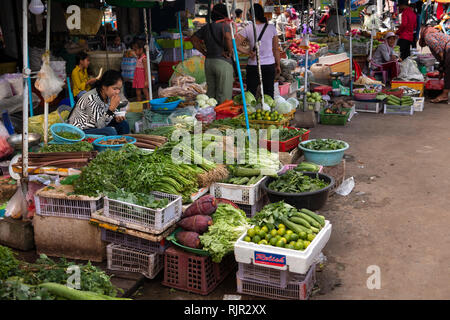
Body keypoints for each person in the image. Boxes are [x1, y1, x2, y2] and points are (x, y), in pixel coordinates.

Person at [191, 3, 234, 104]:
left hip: (209, 62)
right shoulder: (225, 25)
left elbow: (193, 39)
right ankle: (222, 116)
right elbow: (228, 37)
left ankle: (210, 114)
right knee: (224, 95)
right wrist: (230, 52)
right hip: (223, 62)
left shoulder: (207, 27)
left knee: (211, 94)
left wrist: (204, 52)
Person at [236, 3, 280, 98]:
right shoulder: (271, 28)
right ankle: (268, 111)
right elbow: (276, 49)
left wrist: (247, 52)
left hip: (253, 65)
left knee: (251, 93)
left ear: (251, 15)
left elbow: (234, 44)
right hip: (269, 65)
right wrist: (278, 64)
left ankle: (251, 111)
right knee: (269, 93)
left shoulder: (248, 28)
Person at [69, 70, 130, 136]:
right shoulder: (91, 98)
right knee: (110, 131)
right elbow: (99, 125)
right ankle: (114, 145)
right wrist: (111, 109)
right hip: (80, 130)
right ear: (104, 86)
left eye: (119, 89)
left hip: (96, 125)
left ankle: (124, 144)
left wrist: (116, 118)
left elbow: (105, 117)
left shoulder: (108, 96)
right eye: (114, 89)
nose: (117, 92)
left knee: (123, 124)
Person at [419, 26, 450, 103]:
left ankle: (444, 95)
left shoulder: (427, 37)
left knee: (448, 72)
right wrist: (441, 69)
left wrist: (442, 65)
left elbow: (439, 50)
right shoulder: (437, 34)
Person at [132, 40, 150, 109]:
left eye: (135, 50)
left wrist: (146, 80)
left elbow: (146, 70)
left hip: (142, 77)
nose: (134, 52)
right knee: (138, 93)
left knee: (145, 92)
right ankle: (139, 108)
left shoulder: (144, 59)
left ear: (141, 49)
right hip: (137, 77)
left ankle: (148, 107)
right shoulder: (138, 57)